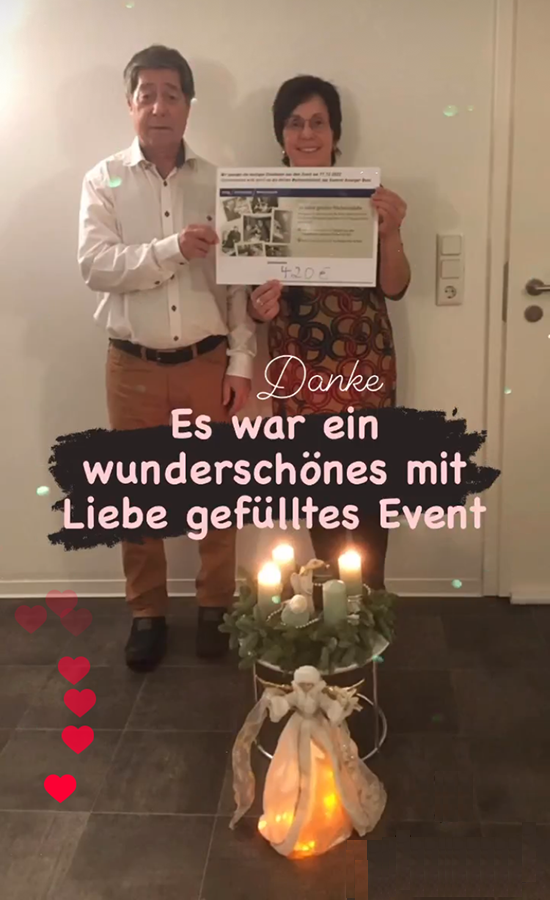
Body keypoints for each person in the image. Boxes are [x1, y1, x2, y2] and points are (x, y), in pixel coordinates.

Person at [78, 45, 256, 670]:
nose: (159, 106)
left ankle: (215, 607)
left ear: (188, 105)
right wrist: (172, 249)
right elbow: (95, 266)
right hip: (132, 365)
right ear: (130, 105)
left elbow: (236, 284)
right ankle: (147, 613)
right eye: (147, 94)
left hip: (207, 361)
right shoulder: (102, 179)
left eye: (171, 94)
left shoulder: (220, 183)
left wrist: (240, 364)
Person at [250, 75, 410, 590]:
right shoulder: (259, 203)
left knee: (368, 491)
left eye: (318, 122)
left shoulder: (366, 199)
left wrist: (392, 232)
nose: (307, 134)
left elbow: (395, 286)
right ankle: (333, 607)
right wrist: (258, 307)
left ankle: (372, 603)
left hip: (363, 365)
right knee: (318, 490)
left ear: (335, 133)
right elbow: (253, 297)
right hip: (299, 368)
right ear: (281, 135)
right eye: (295, 123)